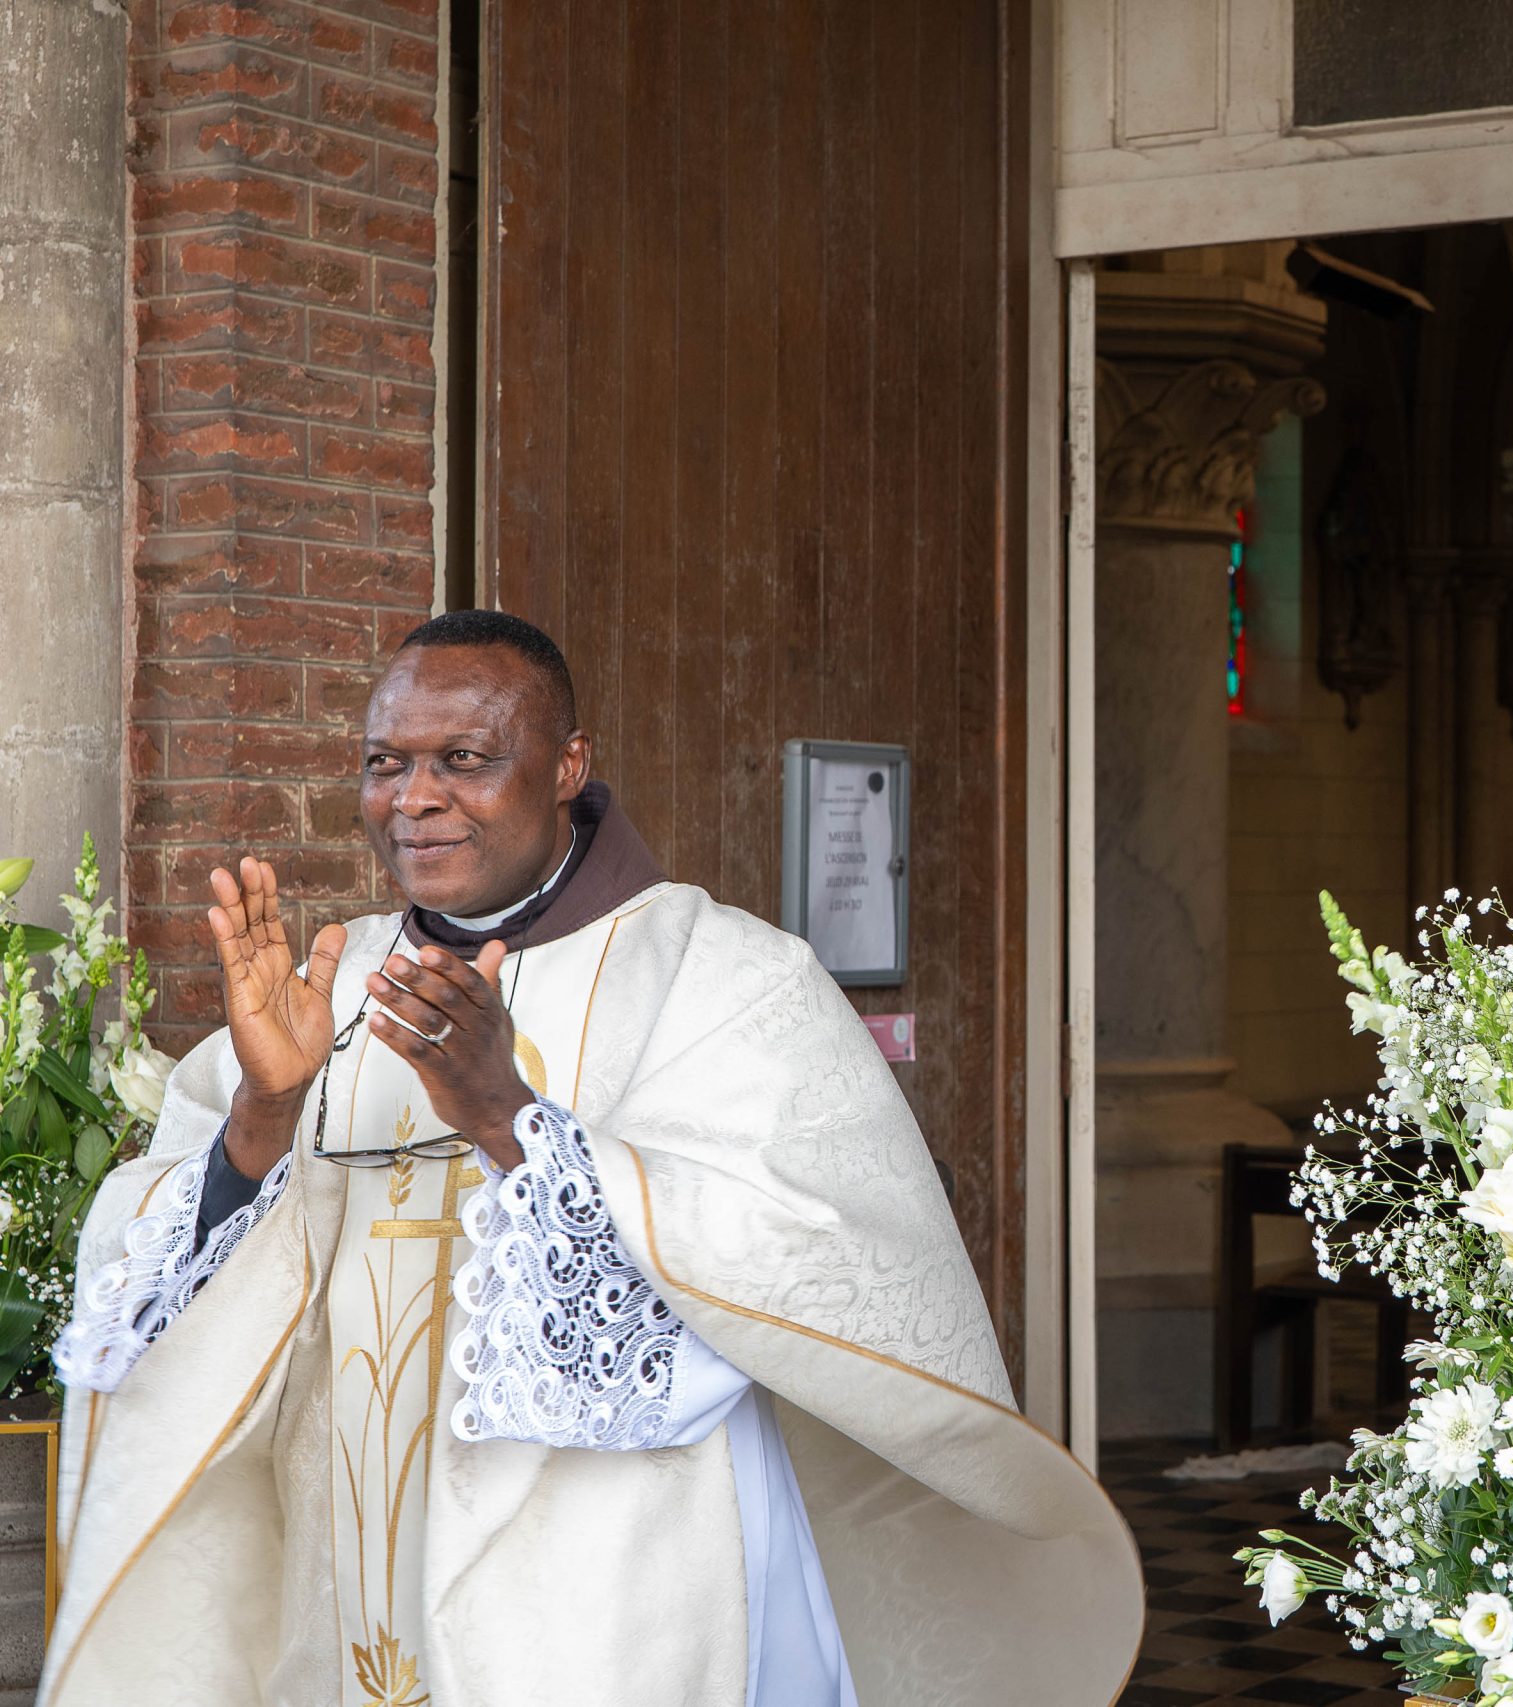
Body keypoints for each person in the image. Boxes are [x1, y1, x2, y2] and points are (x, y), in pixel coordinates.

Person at [42, 611, 1140, 1706]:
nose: (412, 799)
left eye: (463, 760)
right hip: (342, 1568)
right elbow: (146, 1301)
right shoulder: (328, 984)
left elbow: (800, 1280)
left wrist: (508, 1119)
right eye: (386, 763)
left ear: (567, 765)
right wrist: (265, 1112)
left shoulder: (723, 979)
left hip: (614, 1576)